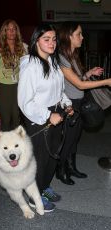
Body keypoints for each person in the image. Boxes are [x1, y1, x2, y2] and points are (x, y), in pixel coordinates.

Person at [18, 24, 74, 212]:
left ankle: (43, 187)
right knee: (40, 159)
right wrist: (48, 115)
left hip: (56, 114)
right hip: (39, 117)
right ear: (36, 41)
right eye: (46, 39)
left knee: (51, 158)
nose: (52, 43)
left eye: (54, 39)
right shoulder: (30, 66)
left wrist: (66, 104)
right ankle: (34, 197)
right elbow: (25, 102)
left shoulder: (54, 62)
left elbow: (60, 90)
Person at [56, 21, 111, 185]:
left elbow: (78, 80)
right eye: (79, 34)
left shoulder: (72, 56)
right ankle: (61, 170)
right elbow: (79, 85)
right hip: (69, 105)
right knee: (68, 139)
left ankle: (71, 167)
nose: (82, 37)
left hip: (79, 103)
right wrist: (106, 81)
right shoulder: (61, 58)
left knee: (75, 138)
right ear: (69, 36)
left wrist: (89, 73)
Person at [0, 19, 28, 131]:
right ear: (4, 31)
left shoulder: (24, 47)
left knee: (17, 117)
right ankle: (5, 146)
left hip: (19, 86)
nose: (11, 31)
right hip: (2, 86)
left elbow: (29, 66)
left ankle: (16, 144)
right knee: (5, 119)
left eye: (13, 29)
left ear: (17, 31)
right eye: (8, 29)